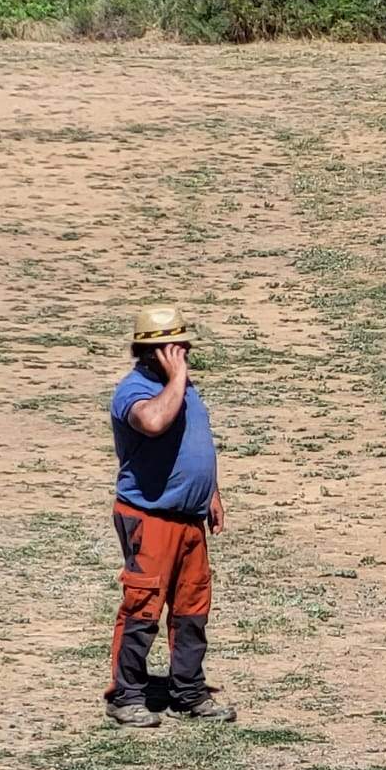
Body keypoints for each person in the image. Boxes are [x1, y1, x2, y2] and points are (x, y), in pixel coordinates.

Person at [105, 305, 236, 728]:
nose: (181, 354)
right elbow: (156, 422)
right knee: (143, 607)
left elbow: (191, 440)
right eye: (172, 348)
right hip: (149, 516)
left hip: (188, 518)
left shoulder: (186, 389)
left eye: (182, 346)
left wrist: (210, 490)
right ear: (151, 352)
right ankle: (125, 695)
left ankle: (188, 691)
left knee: (192, 608)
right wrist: (177, 378)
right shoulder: (135, 391)